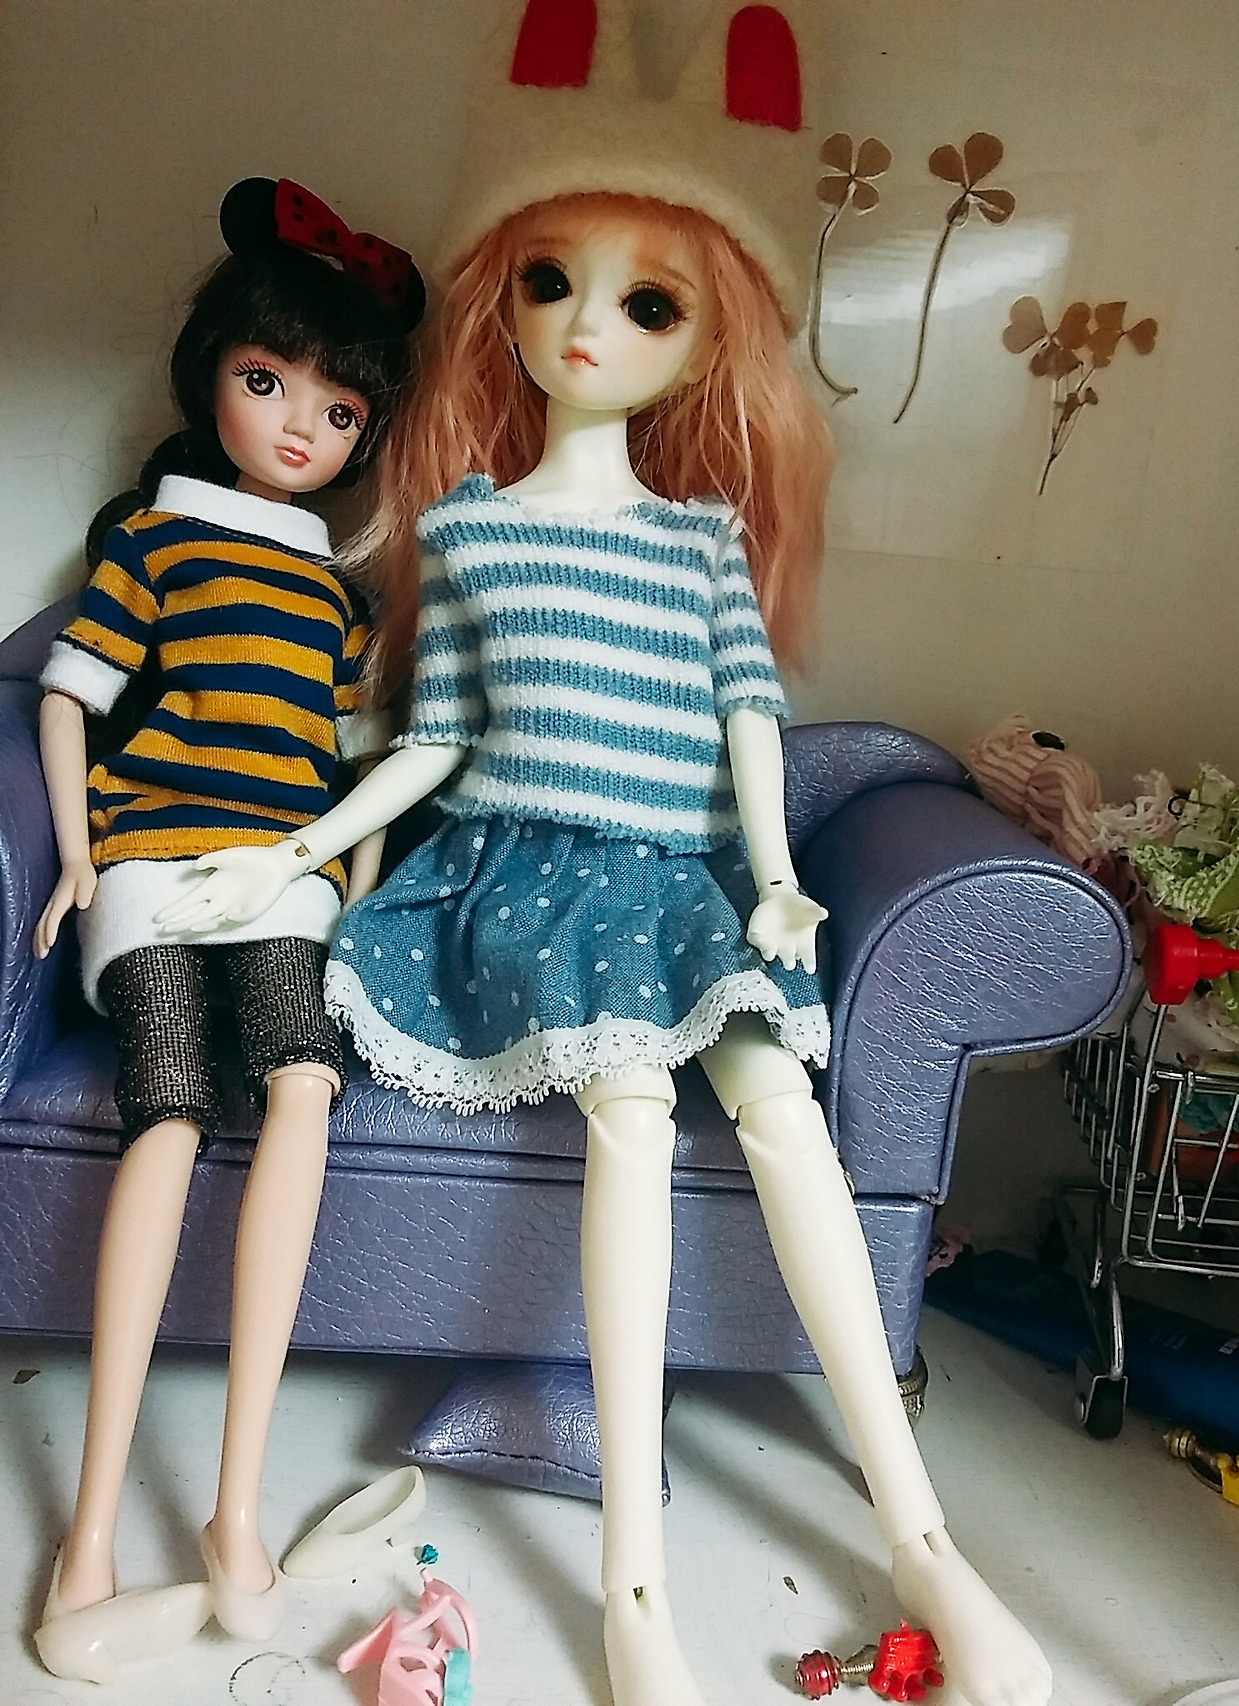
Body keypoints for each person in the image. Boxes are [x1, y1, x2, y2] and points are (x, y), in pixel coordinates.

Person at [156, 7, 1054, 1704]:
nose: (587, 326)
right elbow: (432, 740)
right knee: (632, 1110)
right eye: (553, 279)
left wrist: (775, 872)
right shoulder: (471, 529)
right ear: (500, 295)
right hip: (523, 877)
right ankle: (634, 1582)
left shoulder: (703, 540)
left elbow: (749, 721)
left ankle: (923, 1531)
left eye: (652, 303)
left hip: (676, 882)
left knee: (782, 1107)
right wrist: (295, 847)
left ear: (711, 344)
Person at [31, 176, 423, 1684]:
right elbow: (70, 694)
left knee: (304, 1083)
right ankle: (86, 1533)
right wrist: (78, 858)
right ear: (213, 378)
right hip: (149, 861)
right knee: (172, 1112)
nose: (300, 426)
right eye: (270, 384)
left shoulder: (338, 597)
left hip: (284, 875)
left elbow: (359, 766)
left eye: (337, 409)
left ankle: (236, 1506)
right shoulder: (156, 541)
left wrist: (354, 889)